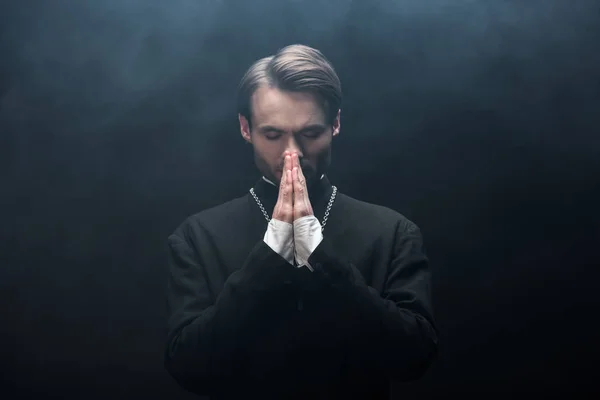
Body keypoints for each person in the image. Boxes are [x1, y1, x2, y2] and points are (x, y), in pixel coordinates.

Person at [164, 44, 438, 399]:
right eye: (273, 135)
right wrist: (268, 258)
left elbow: (415, 358)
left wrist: (322, 262)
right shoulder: (197, 237)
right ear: (246, 128)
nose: (292, 152)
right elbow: (187, 365)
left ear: (335, 124)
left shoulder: (393, 232)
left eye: (310, 133)